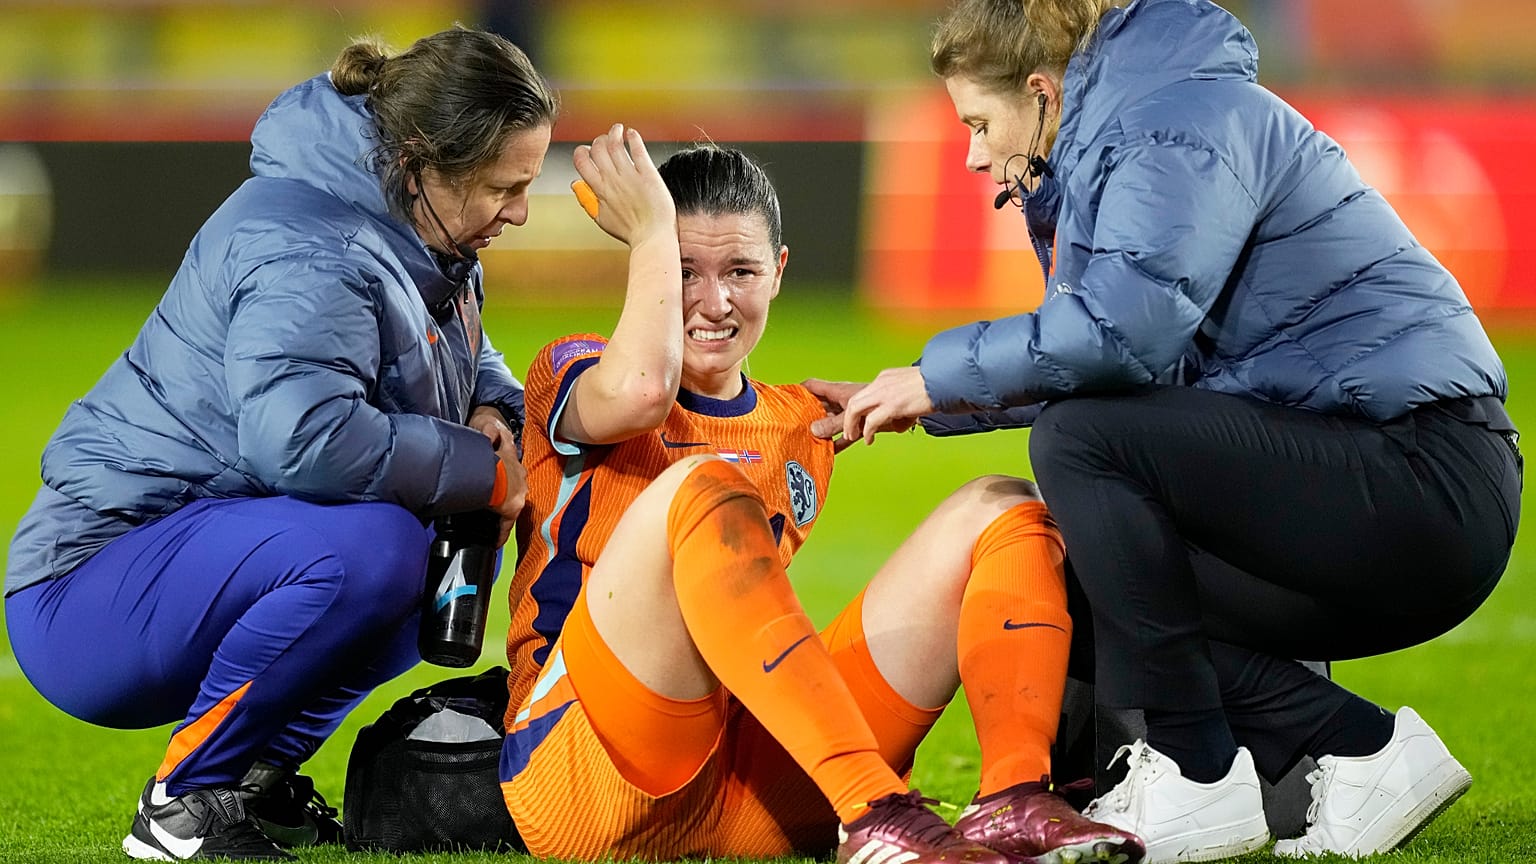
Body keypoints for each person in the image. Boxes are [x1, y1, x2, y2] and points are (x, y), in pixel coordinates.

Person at [810, 1, 1519, 862]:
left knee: (1080, 444)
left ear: (1041, 91)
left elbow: (1125, 336)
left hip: (1422, 475)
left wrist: (935, 378)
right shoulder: (1135, 133)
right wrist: (929, 398)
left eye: (979, 122)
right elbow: (1132, 364)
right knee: (1065, 570)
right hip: (1357, 480)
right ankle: (1359, 748)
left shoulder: (1178, 122)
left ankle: (1196, 770)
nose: (971, 152)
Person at [497, 131, 1144, 864]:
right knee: (706, 490)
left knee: (1001, 505)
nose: (713, 302)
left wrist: (927, 396)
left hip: (759, 794)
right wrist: (648, 228)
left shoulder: (796, 424)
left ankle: (1015, 797)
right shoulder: (575, 371)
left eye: (739, 270)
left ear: (777, 273)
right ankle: (875, 807)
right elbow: (644, 392)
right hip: (586, 780)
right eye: (681, 271)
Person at [4, 27, 556, 862]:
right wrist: (481, 469)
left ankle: (252, 775)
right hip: (85, 594)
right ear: (419, 161)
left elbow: (474, 362)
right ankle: (181, 804)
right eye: (501, 188)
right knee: (380, 547)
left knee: (440, 555)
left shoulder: (425, 232)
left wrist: (493, 414)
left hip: (192, 555)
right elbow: (301, 438)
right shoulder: (307, 243)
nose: (518, 211)